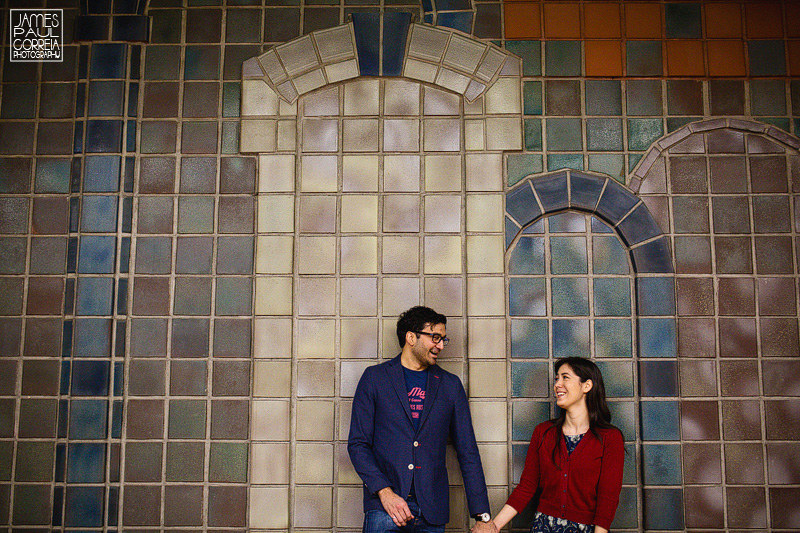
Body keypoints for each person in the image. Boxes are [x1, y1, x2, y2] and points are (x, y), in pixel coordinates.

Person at [348, 306, 497, 533]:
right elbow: (358, 445)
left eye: (443, 339)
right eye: (434, 337)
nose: (439, 345)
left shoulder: (450, 385)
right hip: (384, 509)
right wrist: (385, 493)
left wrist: (482, 515)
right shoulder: (375, 378)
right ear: (411, 337)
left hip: (432, 512)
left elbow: (468, 452)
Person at [487, 357, 624, 533]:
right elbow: (527, 486)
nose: (557, 384)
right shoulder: (544, 432)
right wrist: (494, 526)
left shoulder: (610, 438)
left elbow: (608, 498)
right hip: (543, 527)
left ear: (587, 386)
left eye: (565, 377)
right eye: (556, 378)